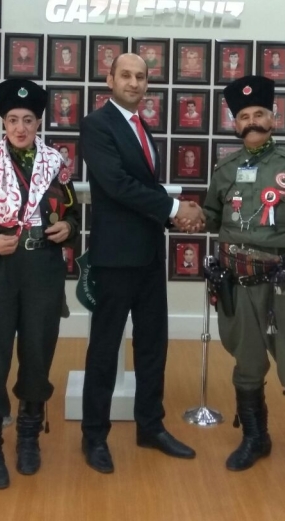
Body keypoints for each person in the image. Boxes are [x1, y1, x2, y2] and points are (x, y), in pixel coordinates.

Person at [0, 79, 80, 490]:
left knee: (38, 354)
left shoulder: (55, 164)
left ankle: (28, 436)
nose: (20, 128)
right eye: (12, 120)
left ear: (38, 123)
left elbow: (72, 214)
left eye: (27, 120)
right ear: (2, 123)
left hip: (43, 270)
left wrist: (68, 228)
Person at [203, 74, 285, 492]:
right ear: (235, 124)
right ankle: (255, 439)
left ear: (273, 119)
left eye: (259, 114)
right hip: (238, 283)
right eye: (244, 116)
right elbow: (211, 218)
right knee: (247, 364)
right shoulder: (225, 170)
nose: (252, 122)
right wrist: (179, 215)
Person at [79, 53, 201, 474]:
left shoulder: (143, 128)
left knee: (152, 346)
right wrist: (175, 209)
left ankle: (150, 426)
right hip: (115, 258)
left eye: (141, 77)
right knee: (105, 348)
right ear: (109, 79)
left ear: (148, 84)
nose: (134, 83)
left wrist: (170, 217)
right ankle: (94, 436)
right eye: (126, 75)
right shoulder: (97, 125)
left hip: (149, 254)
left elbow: (143, 188)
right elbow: (116, 185)